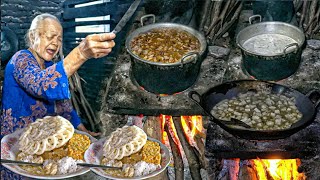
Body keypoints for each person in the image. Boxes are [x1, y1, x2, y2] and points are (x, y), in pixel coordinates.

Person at [0, 13, 115, 179]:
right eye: (50, 36)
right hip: (17, 151)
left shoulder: (49, 65)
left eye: (59, 39)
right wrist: (81, 53)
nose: (55, 43)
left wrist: (84, 133)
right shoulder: (21, 59)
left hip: (41, 147)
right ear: (33, 36)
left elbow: (63, 106)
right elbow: (42, 85)